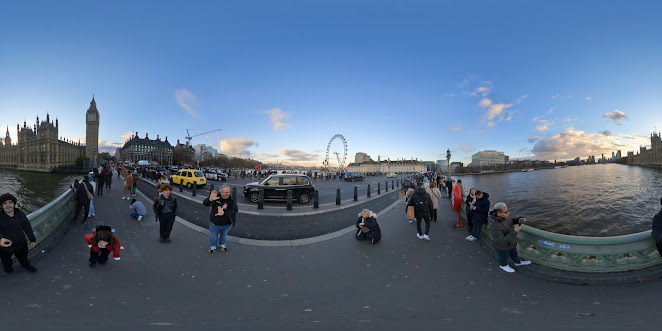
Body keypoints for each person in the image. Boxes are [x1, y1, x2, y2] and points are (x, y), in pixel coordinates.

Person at [488, 202, 531, 273]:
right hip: (502, 247)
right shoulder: (494, 226)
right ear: (499, 213)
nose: (508, 213)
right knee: (503, 257)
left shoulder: (505, 217)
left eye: (508, 210)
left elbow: (511, 221)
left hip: (511, 243)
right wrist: (515, 231)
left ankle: (518, 262)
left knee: (514, 254)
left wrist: (518, 219)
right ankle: (503, 265)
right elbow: (501, 241)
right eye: (506, 212)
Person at [0, 193, 37, 273]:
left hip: (20, 242)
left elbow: (27, 228)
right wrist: (0, 239)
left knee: (23, 256)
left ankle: (26, 265)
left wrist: (32, 239)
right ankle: (8, 266)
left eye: (10, 202)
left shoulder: (20, 214)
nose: (8, 206)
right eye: (5, 203)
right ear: (2, 206)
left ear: (14, 203)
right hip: (5, 245)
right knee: (5, 258)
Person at [202, 185, 238, 253]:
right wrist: (210, 200)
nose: (227, 194)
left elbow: (234, 210)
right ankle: (213, 246)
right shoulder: (216, 198)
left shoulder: (231, 200)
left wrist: (224, 213)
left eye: (228, 192)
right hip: (215, 223)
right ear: (221, 192)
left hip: (226, 223)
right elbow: (205, 203)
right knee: (214, 236)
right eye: (225, 192)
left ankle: (222, 244)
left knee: (224, 236)